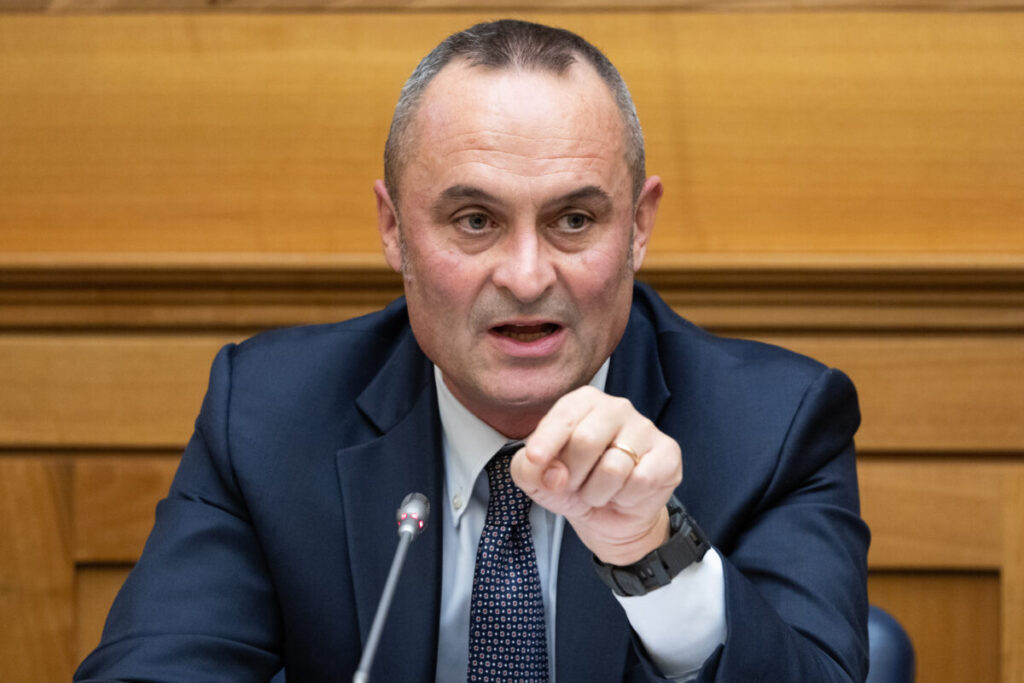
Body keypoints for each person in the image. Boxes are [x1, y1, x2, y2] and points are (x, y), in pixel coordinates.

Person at [76, 19, 869, 683]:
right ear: (394, 230)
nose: (526, 277)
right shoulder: (267, 415)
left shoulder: (774, 426)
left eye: (574, 221)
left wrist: (650, 556)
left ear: (638, 226)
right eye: (475, 221)